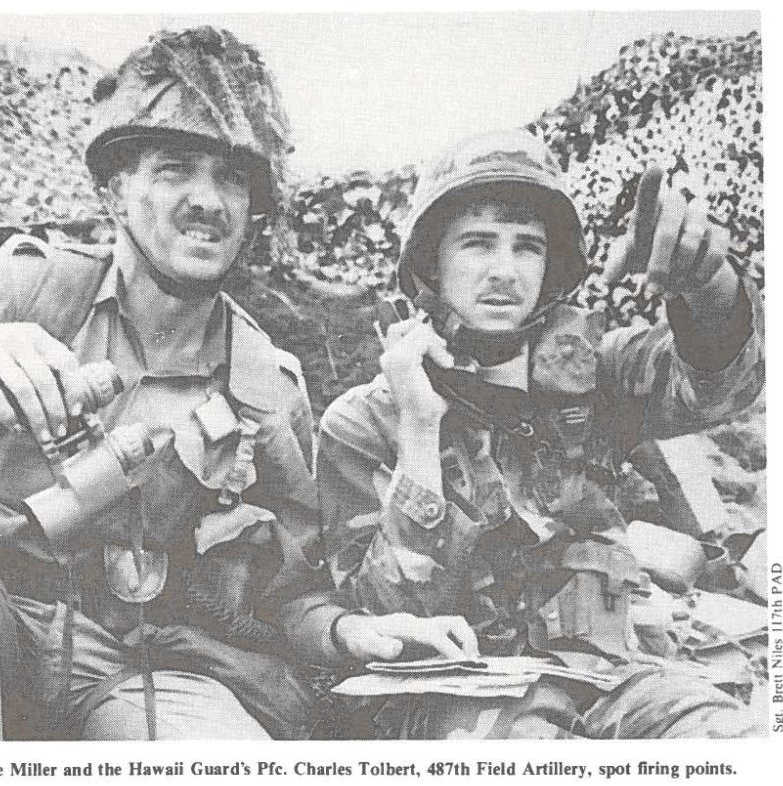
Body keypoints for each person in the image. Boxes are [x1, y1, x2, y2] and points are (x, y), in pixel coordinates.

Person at [0, 27, 344, 741]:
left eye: (233, 176)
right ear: (114, 190)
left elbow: (295, 592)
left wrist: (348, 631)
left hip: (149, 674)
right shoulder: (22, 292)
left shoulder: (271, 386)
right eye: (175, 168)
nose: (209, 199)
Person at [317, 129, 764, 738]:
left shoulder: (597, 379)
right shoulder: (362, 422)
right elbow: (386, 620)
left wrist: (710, 287)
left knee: (730, 737)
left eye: (527, 247)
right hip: (460, 699)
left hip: (616, 679)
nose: (504, 270)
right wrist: (421, 429)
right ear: (430, 264)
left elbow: (717, 384)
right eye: (477, 243)